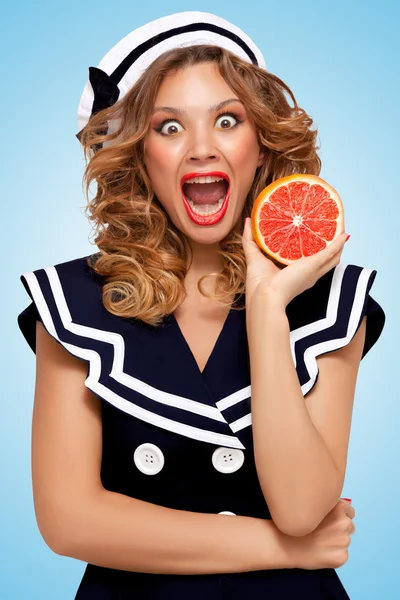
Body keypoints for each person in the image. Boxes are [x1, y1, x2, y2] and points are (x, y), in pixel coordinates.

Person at [17, 11, 385, 600]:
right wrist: (284, 550)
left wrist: (268, 305)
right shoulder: (71, 306)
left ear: (260, 147)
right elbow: (68, 521)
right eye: (169, 128)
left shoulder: (334, 304)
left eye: (227, 120)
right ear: (140, 158)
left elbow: (301, 505)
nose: (202, 149)